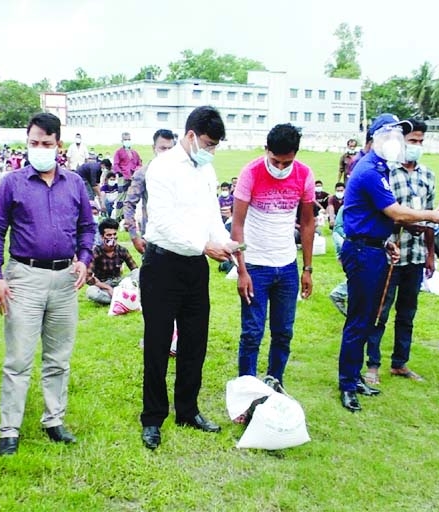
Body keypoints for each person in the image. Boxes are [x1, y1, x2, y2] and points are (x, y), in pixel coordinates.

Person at [0, 113, 95, 456]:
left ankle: (54, 420)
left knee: (58, 357)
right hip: (24, 278)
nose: (40, 149)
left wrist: (84, 258)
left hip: (64, 279)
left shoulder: (74, 183)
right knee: (18, 357)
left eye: (47, 144)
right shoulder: (12, 183)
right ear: (27, 142)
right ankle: (9, 430)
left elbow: (87, 227)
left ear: (58, 145)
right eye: (34, 143)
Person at [139, 106, 239, 450]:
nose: (211, 152)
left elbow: (210, 212)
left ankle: (187, 410)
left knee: (195, 341)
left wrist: (223, 242)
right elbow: (163, 222)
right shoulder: (162, 167)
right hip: (162, 265)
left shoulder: (205, 171)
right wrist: (205, 245)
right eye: (208, 144)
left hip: (195, 267)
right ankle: (153, 417)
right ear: (191, 135)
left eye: (216, 147)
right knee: (157, 342)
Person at [337, 113, 439, 413]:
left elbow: (375, 216)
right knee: (359, 319)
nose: (398, 142)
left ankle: (354, 376)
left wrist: (385, 240)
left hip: (374, 248)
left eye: (401, 137)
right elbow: (396, 212)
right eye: (393, 136)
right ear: (376, 138)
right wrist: (431, 215)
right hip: (362, 253)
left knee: (366, 317)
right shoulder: (371, 170)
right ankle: (347, 383)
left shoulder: (381, 168)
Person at [231, 123, 315, 389]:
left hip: (287, 266)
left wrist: (308, 268)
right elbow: (237, 224)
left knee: (283, 332)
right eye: (275, 161)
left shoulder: (303, 175)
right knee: (253, 332)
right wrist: (242, 270)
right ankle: (246, 390)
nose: (280, 168)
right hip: (256, 265)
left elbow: (308, 223)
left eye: (286, 162)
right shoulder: (251, 172)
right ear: (266, 150)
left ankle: (274, 383)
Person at [364, 119, 435, 385]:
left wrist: (430, 254)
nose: (415, 146)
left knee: (408, 312)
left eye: (419, 141)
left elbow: (429, 220)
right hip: (391, 252)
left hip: (416, 254)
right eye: (411, 141)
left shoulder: (427, 175)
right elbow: (384, 214)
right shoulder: (387, 173)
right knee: (380, 309)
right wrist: (405, 222)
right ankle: (372, 363)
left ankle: (400, 362)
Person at [123, 129, 176, 254]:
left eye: (170, 149)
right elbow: (129, 203)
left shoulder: (181, 173)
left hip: (177, 238)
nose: (167, 152)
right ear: (154, 148)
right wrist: (134, 236)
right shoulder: (144, 173)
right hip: (152, 238)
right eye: (163, 148)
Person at [86, 218, 139, 305]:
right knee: (91, 292)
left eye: (114, 234)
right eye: (109, 235)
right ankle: (122, 298)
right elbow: (88, 277)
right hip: (102, 285)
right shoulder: (96, 252)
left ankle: (119, 296)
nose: (112, 237)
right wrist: (107, 288)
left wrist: (129, 284)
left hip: (120, 283)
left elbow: (134, 269)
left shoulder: (122, 250)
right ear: (102, 237)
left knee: (139, 273)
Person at [113, 131, 142, 201]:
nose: (127, 141)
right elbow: (116, 165)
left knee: (131, 198)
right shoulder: (118, 152)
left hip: (133, 178)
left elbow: (139, 164)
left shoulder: (134, 153)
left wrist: (136, 171)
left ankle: (128, 212)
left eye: (129, 140)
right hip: (123, 178)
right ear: (122, 141)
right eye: (125, 140)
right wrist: (122, 174)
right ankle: (119, 212)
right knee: (121, 198)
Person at [326, 182, 346, 255]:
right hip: (335, 216)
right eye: (338, 191)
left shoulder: (347, 198)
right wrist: (332, 219)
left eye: (341, 190)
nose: (339, 192)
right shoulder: (332, 198)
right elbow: (331, 207)